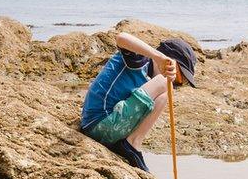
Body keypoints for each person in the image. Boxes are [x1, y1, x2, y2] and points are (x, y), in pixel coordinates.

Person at [80, 33, 196, 171]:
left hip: (110, 127)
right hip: (99, 123)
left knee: (165, 93)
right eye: (176, 75)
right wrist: (158, 57)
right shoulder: (140, 59)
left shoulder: (151, 81)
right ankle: (132, 145)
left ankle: (132, 143)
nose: (174, 81)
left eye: (180, 82)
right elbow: (121, 38)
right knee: (164, 83)